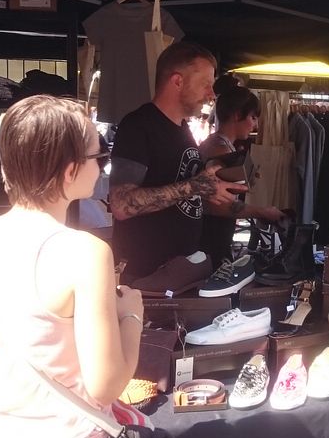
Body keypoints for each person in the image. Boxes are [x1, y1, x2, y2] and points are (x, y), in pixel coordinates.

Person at [0, 95, 144, 438]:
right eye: (99, 156)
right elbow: (106, 386)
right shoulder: (85, 252)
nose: (102, 165)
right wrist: (132, 316)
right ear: (70, 171)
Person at [109, 42, 246, 278]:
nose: (211, 94)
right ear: (177, 81)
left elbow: (183, 187)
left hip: (179, 273)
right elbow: (121, 205)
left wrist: (214, 184)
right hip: (145, 277)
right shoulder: (138, 126)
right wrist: (194, 186)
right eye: (205, 84)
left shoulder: (182, 129)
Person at [198, 84, 283, 263]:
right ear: (237, 115)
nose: (256, 124)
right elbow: (219, 205)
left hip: (212, 234)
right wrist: (262, 212)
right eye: (253, 117)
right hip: (212, 237)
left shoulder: (218, 144)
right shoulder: (219, 150)